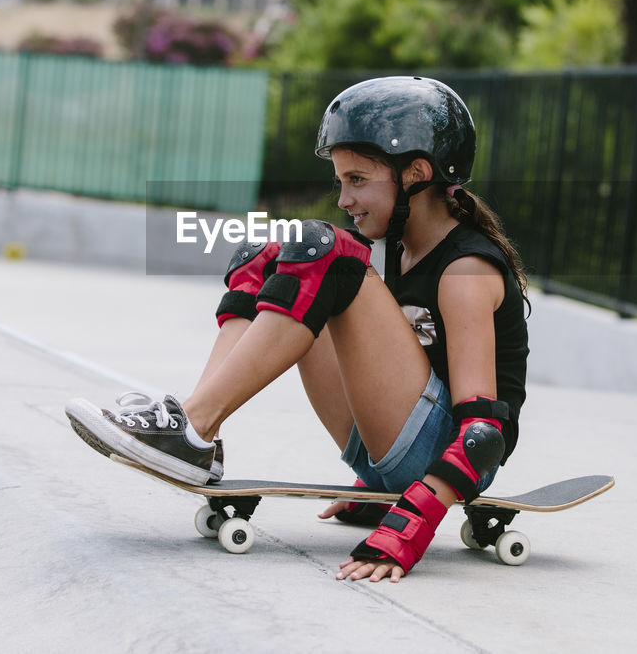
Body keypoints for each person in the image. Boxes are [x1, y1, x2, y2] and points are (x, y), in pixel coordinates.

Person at [66, 76, 529, 582]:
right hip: (388, 455)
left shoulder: (466, 270)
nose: (344, 199)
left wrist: (410, 523)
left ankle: (193, 427)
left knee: (324, 248)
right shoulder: (401, 248)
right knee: (265, 254)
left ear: (417, 173)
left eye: (357, 180)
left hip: (447, 467)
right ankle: (200, 432)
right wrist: (374, 488)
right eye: (342, 182)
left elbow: (483, 433)